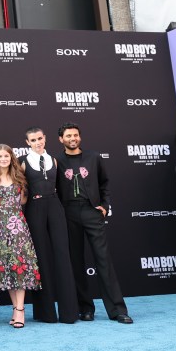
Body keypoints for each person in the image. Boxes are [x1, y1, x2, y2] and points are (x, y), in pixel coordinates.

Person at [56, 122, 133, 324]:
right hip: (68, 212)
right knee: (75, 261)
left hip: (91, 211)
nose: (73, 138)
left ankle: (117, 310)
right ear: (61, 139)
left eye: (75, 135)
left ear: (79, 137)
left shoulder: (94, 157)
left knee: (103, 260)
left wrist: (105, 205)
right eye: (68, 136)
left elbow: (104, 183)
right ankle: (85, 308)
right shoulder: (56, 161)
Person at [20, 127, 78, 324]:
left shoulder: (54, 160)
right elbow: (21, 193)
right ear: (27, 142)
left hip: (55, 206)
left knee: (62, 255)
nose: (37, 142)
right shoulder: (23, 163)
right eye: (33, 140)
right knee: (41, 257)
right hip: (34, 209)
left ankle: (69, 312)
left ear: (45, 139)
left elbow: (63, 189)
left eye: (40, 139)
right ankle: (46, 313)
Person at [0, 144, 40, 329]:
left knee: (20, 267)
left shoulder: (19, 178)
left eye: (6, 156)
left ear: (11, 158)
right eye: (0, 156)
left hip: (18, 229)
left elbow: (23, 201)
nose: (3, 159)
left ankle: (20, 310)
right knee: (6, 269)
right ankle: (16, 308)